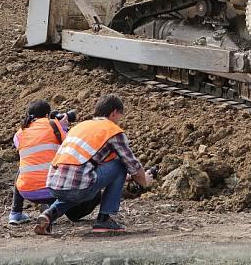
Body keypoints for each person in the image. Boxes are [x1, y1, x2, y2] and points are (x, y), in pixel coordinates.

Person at [34, 94, 154, 235]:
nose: (119, 121)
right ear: (114, 112)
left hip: (53, 184)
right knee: (118, 166)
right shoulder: (112, 131)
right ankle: (104, 218)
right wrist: (144, 181)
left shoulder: (80, 126)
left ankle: (49, 214)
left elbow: (84, 163)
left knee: (77, 188)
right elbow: (132, 165)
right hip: (79, 186)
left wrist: (125, 178)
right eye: (120, 116)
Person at [9, 100, 67, 225]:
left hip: (26, 191)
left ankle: (15, 213)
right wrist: (64, 126)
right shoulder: (54, 125)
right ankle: (50, 211)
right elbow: (68, 144)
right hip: (51, 191)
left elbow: (21, 147)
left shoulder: (20, 132)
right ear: (47, 115)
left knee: (23, 168)